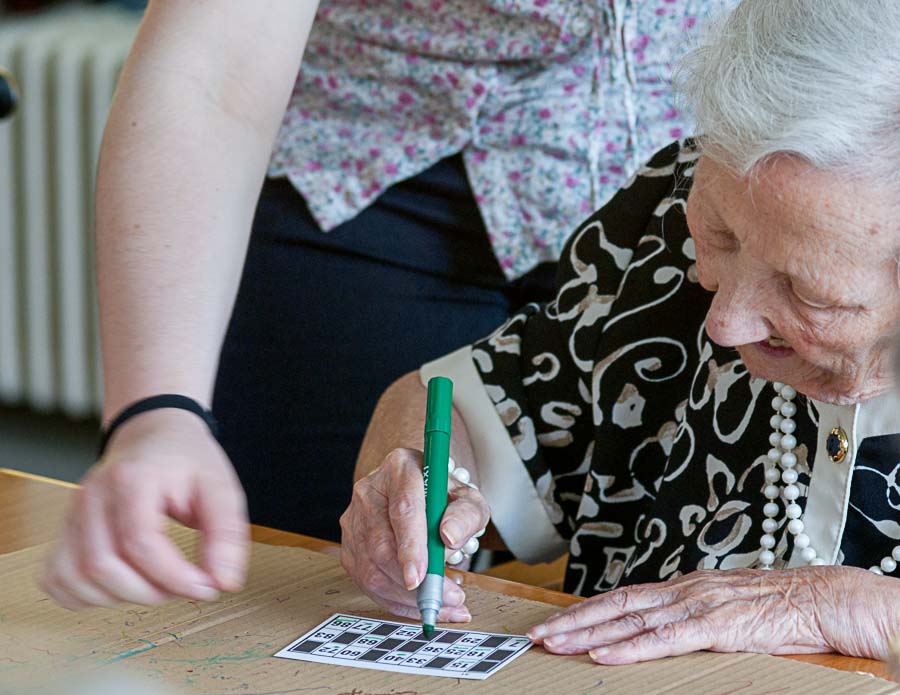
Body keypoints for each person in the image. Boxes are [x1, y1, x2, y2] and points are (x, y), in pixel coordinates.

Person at [41, 0, 732, 608]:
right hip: (370, 188)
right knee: (330, 593)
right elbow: (213, 66)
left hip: (690, 218)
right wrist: (158, 411)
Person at [340, 0, 900, 662]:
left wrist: (861, 608)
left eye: (807, 291)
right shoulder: (665, 218)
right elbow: (450, 400)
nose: (723, 323)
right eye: (718, 231)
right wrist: (409, 481)